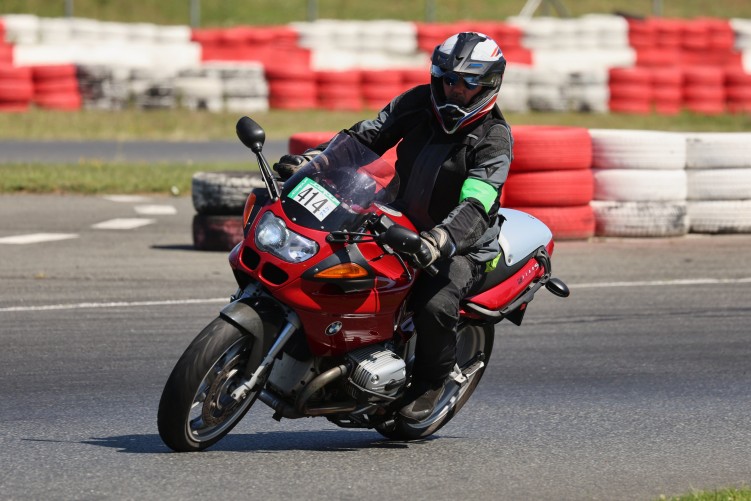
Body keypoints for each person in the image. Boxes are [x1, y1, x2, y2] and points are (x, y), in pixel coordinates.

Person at [273, 32, 513, 422]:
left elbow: (476, 202)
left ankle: (432, 383)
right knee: (332, 261)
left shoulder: (493, 140)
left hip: (460, 243)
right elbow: (368, 136)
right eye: (449, 79)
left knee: (434, 303)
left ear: (488, 86)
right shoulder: (418, 102)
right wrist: (315, 160)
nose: (455, 91)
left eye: (468, 84)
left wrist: (441, 239)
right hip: (397, 216)